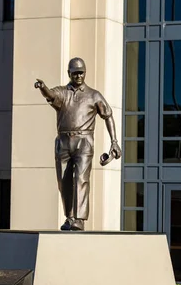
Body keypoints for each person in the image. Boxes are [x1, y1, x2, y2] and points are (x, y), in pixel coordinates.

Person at [34, 57, 122, 231]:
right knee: (63, 182)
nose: (78, 76)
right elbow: (51, 95)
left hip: (84, 142)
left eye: (81, 72)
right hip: (63, 141)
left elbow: (108, 115)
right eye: (75, 73)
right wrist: (43, 88)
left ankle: (79, 220)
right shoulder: (62, 92)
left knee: (81, 179)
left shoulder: (93, 95)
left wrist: (114, 142)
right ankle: (69, 217)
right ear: (69, 73)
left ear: (85, 72)